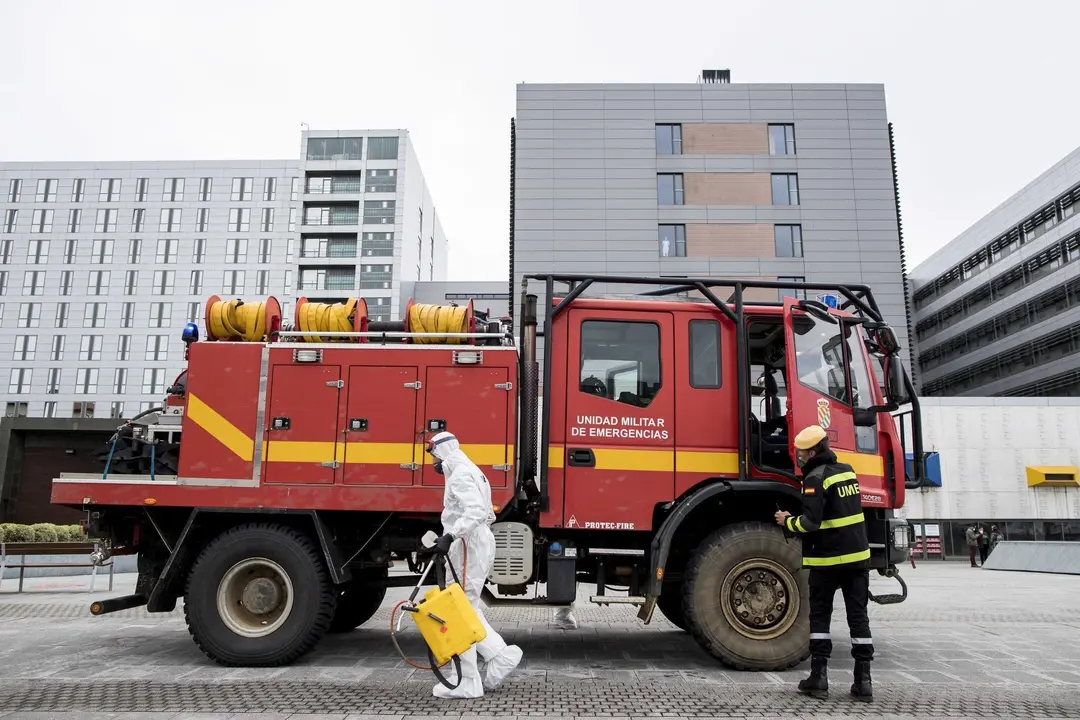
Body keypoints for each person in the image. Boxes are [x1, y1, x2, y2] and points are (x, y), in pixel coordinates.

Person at [774, 425, 873, 703]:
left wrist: (786, 521)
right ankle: (863, 682)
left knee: (820, 618)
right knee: (858, 618)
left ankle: (819, 679)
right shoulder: (847, 471)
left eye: (802, 451)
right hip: (857, 559)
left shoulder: (815, 479)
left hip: (827, 560)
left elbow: (810, 523)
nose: (799, 456)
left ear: (813, 450)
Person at [428, 431, 523, 699]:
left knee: (459, 612)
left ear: (442, 451)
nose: (433, 462)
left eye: (434, 455)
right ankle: (498, 656)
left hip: (468, 543)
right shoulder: (469, 468)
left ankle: (468, 680)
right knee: (466, 609)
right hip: (474, 541)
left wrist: (450, 535)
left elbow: (476, 511)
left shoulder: (459, 473)